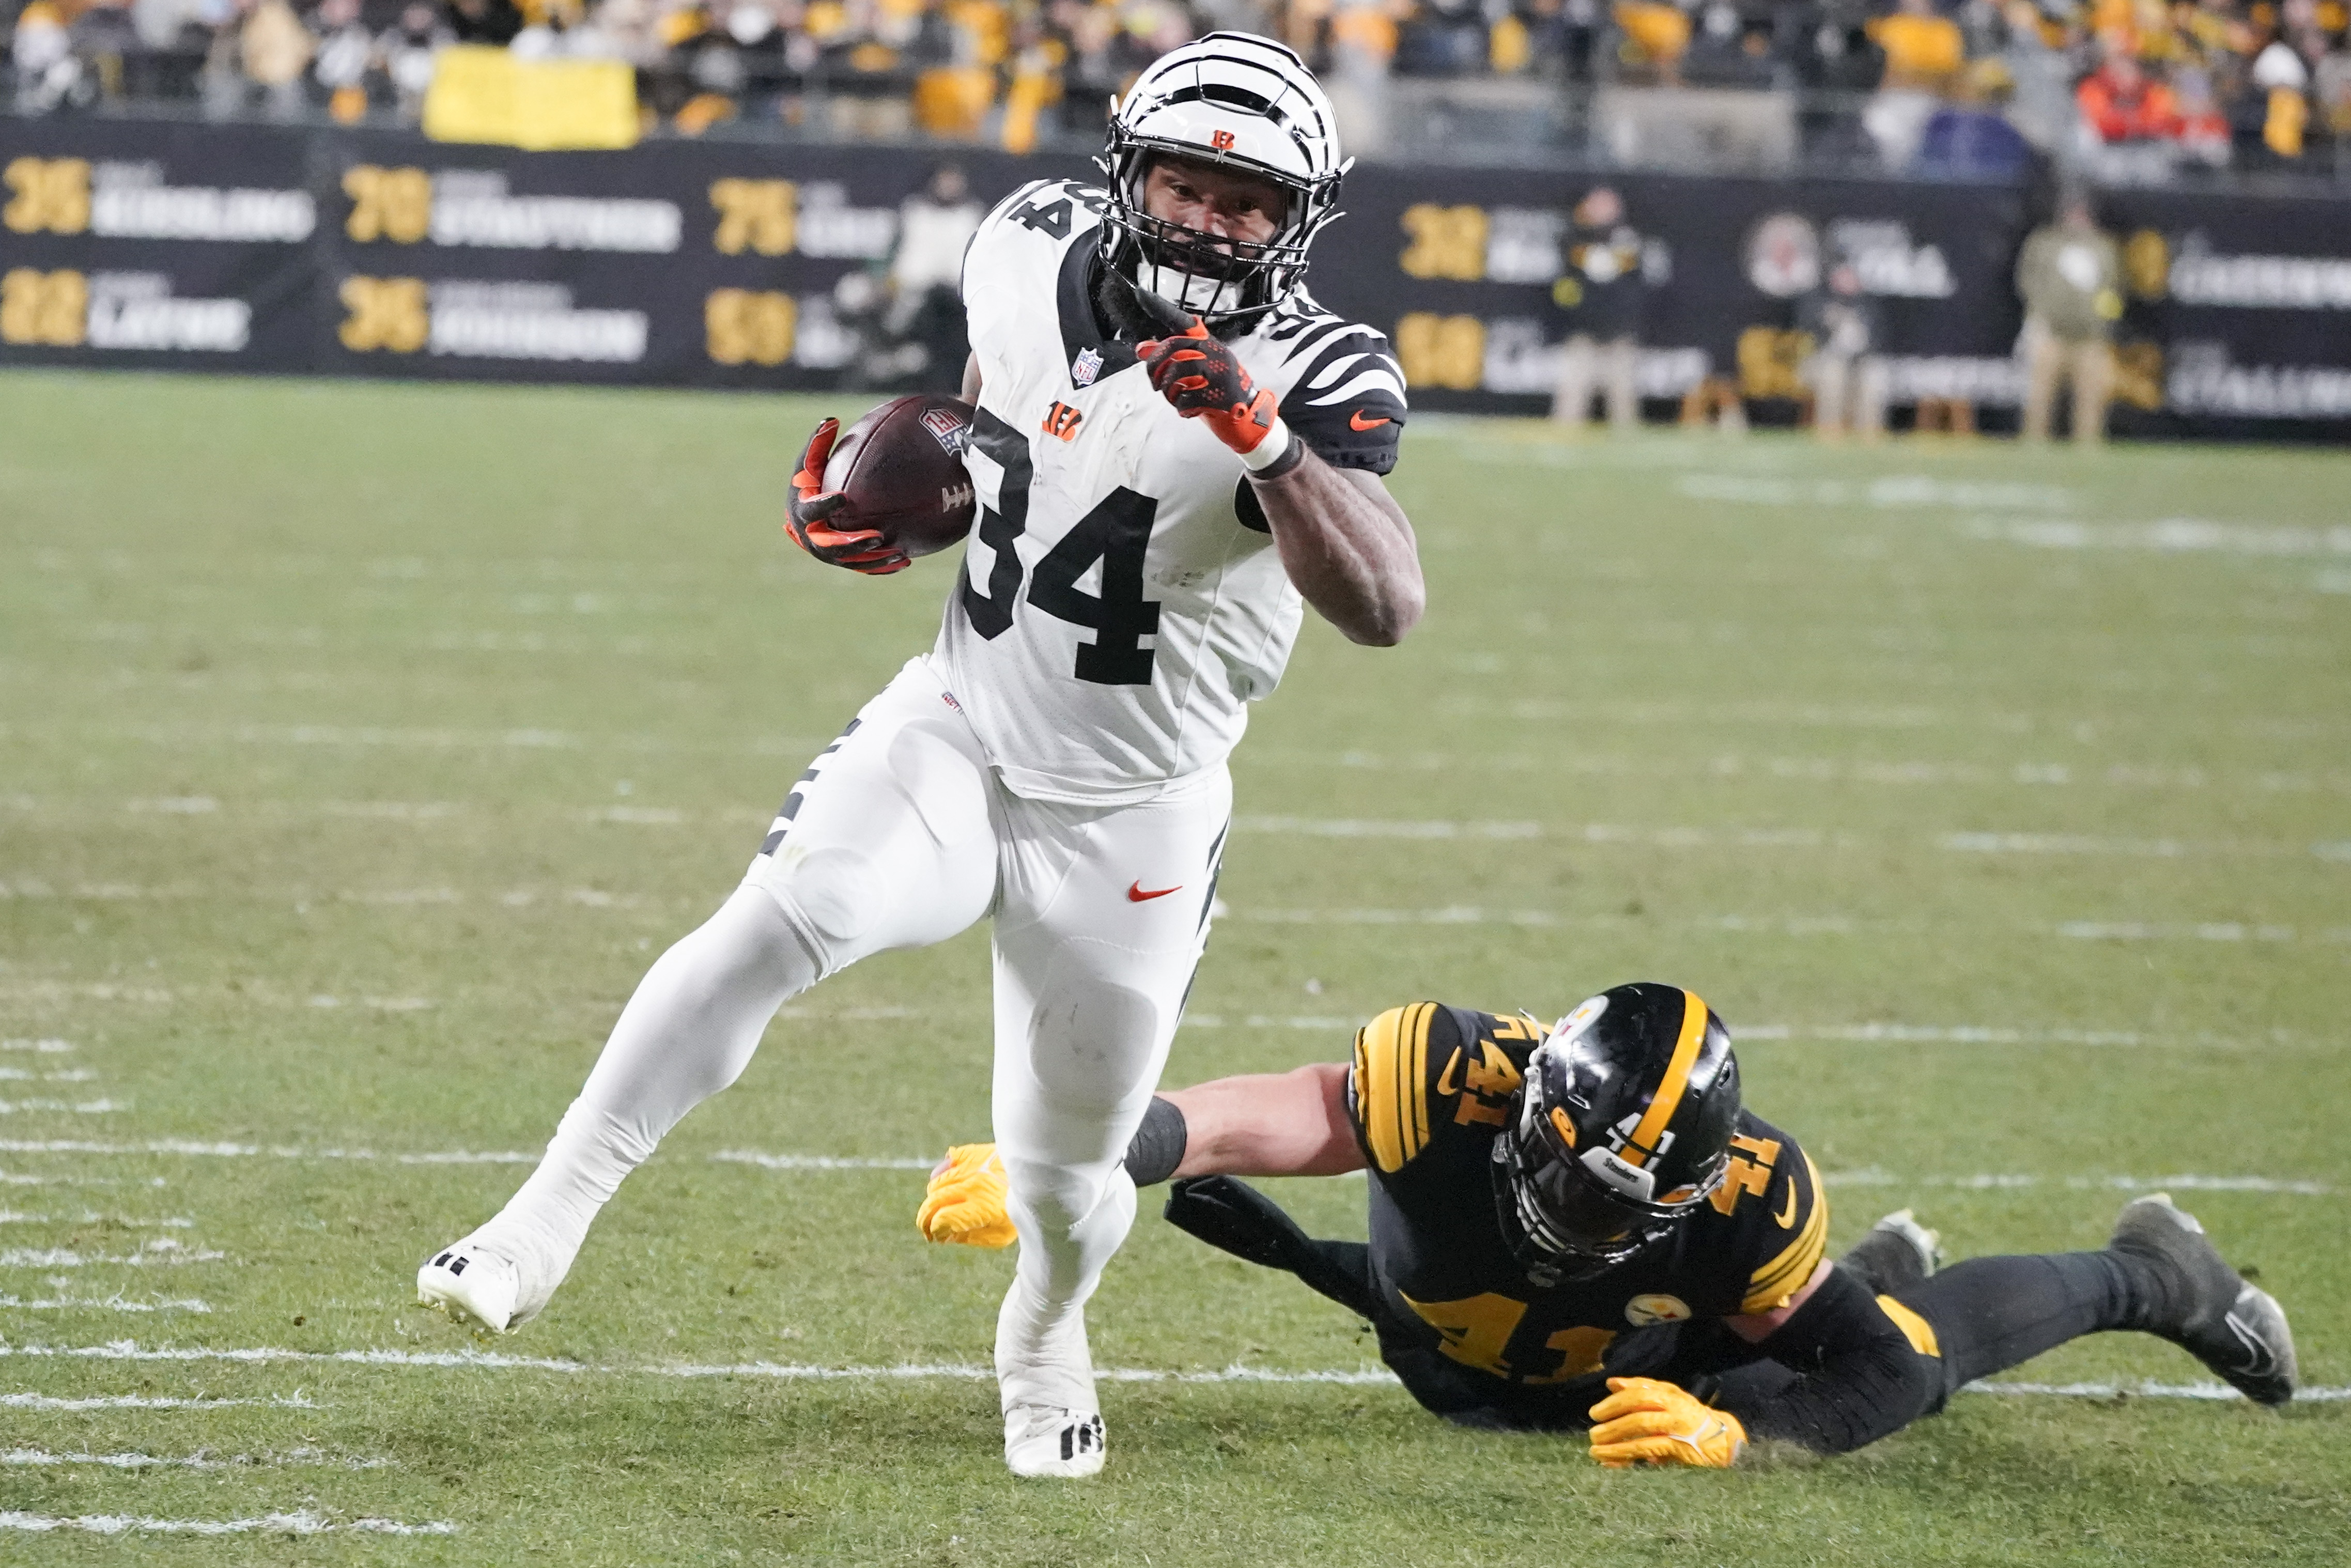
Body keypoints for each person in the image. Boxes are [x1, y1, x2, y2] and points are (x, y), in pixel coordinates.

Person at [414, 30, 1422, 1482]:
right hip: (956, 724)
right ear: (1126, 172)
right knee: (781, 918)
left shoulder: (1319, 369)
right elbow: (995, 428)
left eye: (1248, 198)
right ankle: (537, 1222)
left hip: (1135, 810)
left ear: (1298, 219)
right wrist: (893, 504)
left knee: (1065, 1161)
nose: (1210, 216)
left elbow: (1383, 605)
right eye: (1186, 181)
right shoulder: (1022, 243)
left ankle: (1043, 1330)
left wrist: (1265, 446)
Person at [921, 983, 2297, 1458]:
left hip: (1627, 1374)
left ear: (1690, 1192)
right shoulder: (1445, 1077)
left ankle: (2151, 1272)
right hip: (1464, 1364)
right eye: (1564, 1173)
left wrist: (1746, 1430)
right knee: (1760, 1328)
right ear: (1526, 1106)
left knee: (1894, 1344)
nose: (1568, 1212)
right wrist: (1076, 1156)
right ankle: (1855, 1274)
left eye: (1610, 1203)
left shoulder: (1742, 1196)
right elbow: (1241, 1118)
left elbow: (1875, 1373)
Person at [2015, 194, 2122, 444]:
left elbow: (2114, 287)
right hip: (2050, 334)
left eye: (2082, 214)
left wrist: (2102, 321)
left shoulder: (2104, 247)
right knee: (2039, 397)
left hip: (2090, 337)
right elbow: (2027, 280)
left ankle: (2088, 447)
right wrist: (2039, 314)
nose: (2077, 220)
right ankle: (2034, 444)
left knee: (2091, 399)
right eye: (2072, 214)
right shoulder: (2044, 243)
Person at [1549, 186, 1645, 431]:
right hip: (1583, 327)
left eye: (1607, 206)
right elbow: (1569, 271)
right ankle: (1565, 438)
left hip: (1619, 328)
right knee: (1573, 392)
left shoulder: (1627, 237)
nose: (1602, 212)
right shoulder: (1575, 236)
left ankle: (1627, 444)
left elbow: (1626, 275)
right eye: (1597, 205)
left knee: (1623, 394)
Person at [1798, 259, 1887, 441]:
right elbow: (1806, 335)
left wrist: (1860, 343)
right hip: (1820, 361)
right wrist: (1831, 326)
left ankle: (1869, 433)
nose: (1847, 280)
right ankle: (1830, 431)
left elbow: (1878, 340)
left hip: (1859, 362)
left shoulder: (1866, 304)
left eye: (1850, 276)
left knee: (1875, 375)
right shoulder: (1818, 299)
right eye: (1843, 275)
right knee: (1834, 373)